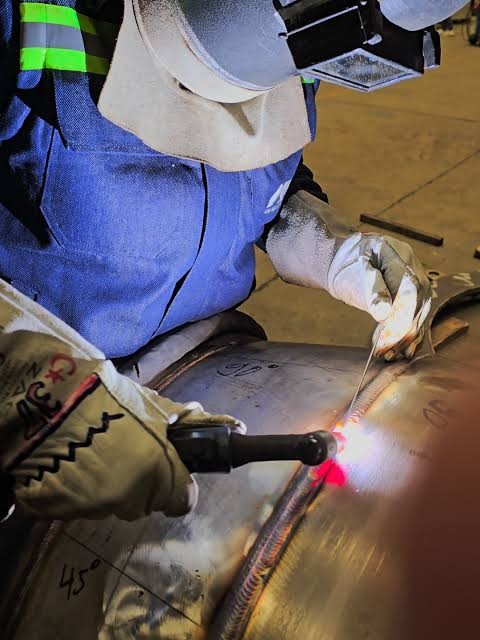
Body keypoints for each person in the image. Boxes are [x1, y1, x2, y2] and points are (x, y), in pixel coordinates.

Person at [0, 0, 467, 523]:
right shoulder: (24, 17)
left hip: (215, 373)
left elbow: (261, 170)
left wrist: (325, 243)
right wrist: (23, 384)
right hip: (61, 426)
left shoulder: (306, 33)